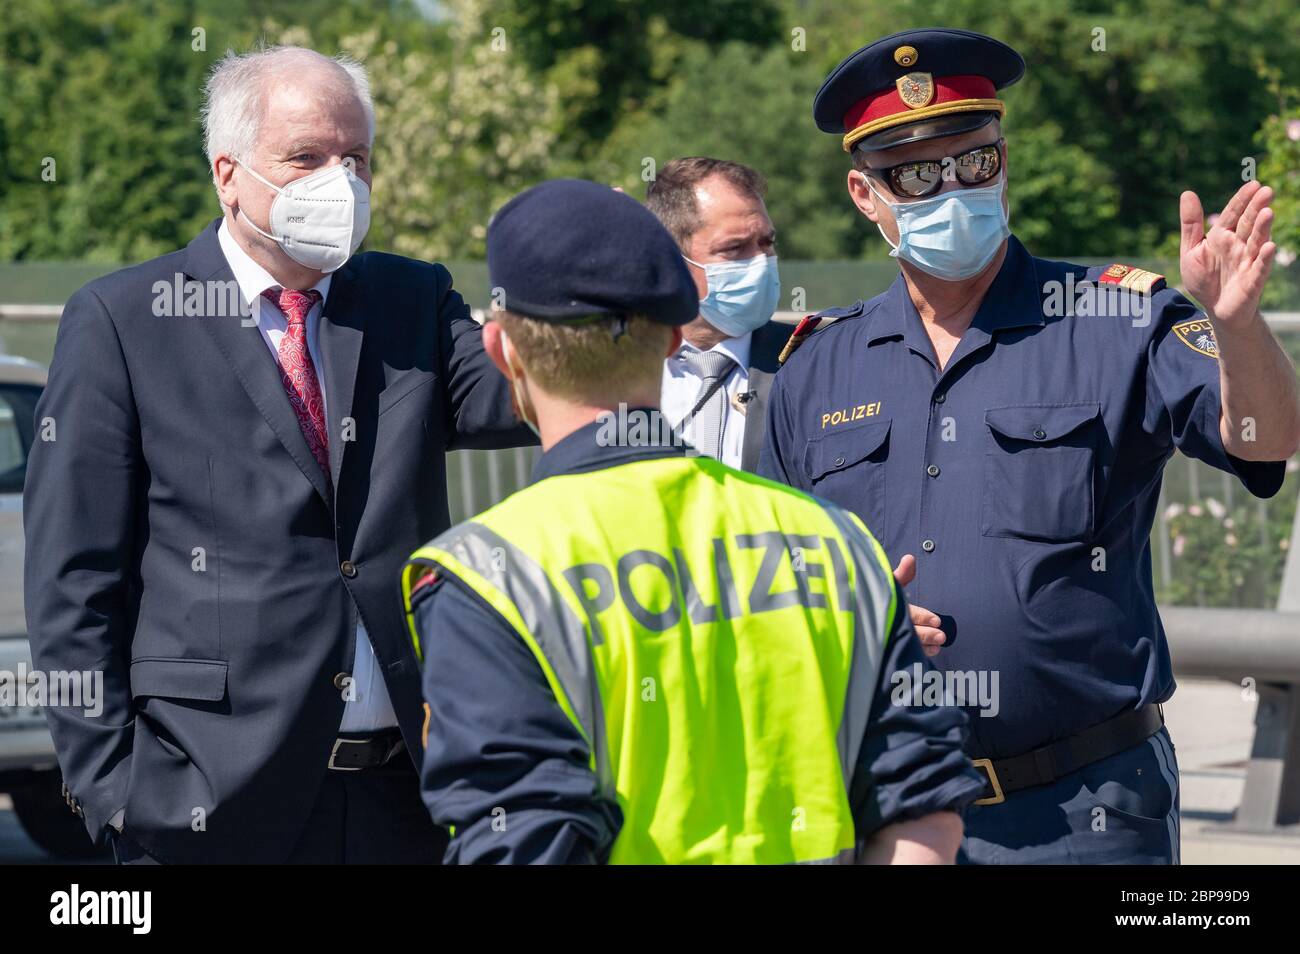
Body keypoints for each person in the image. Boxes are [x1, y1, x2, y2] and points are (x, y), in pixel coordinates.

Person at [759, 27, 1300, 864]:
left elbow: (1268, 442)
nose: (952, 190)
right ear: (867, 197)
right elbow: (770, 580)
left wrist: (1236, 330)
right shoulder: (814, 367)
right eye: (916, 174)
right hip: (882, 807)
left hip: (1087, 810)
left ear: (1003, 161)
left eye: (973, 162)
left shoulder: (1118, 318)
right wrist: (853, 623)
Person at [24, 46, 530, 864]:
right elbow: (73, 582)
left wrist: (604, 294)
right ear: (227, 174)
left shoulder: (411, 300)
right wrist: (115, 791)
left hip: (403, 805)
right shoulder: (122, 321)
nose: (341, 181)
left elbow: (524, 395)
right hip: (206, 811)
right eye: (306, 157)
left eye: (356, 158)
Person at [403, 178, 985, 864]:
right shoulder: (834, 542)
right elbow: (925, 810)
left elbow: (521, 840)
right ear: (674, 336)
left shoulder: (488, 576)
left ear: (502, 351)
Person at [645, 158, 788, 470]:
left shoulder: (809, 359)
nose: (761, 261)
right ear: (669, 257)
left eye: (766, 243)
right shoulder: (618, 365)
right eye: (735, 248)